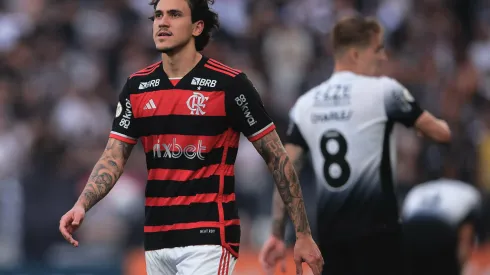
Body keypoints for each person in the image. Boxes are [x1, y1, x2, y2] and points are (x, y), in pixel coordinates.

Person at [58, 0, 324, 274]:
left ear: (197, 27)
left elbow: (278, 158)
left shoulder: (230, 85)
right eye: (158, 15)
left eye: (174, 15)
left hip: (209, 237)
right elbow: (113, 156)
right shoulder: (137, 87)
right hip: (157, 238)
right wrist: (82, 204)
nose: (162, 22)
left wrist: (302, 233)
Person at [259, 16, 451, 275]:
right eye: (378, 49)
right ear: (355, 54)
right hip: (379, 236)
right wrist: (424, 125)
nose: (382, 57)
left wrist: (276, 233)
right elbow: (441, 134)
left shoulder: (306, 104)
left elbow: (285, 169)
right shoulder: (385, 91)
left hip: (329, 242)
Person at [401, 178, 485, 275]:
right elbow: (465, 236)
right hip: (441, 231)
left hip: (411, 230)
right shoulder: (468, 192)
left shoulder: (418, 190)